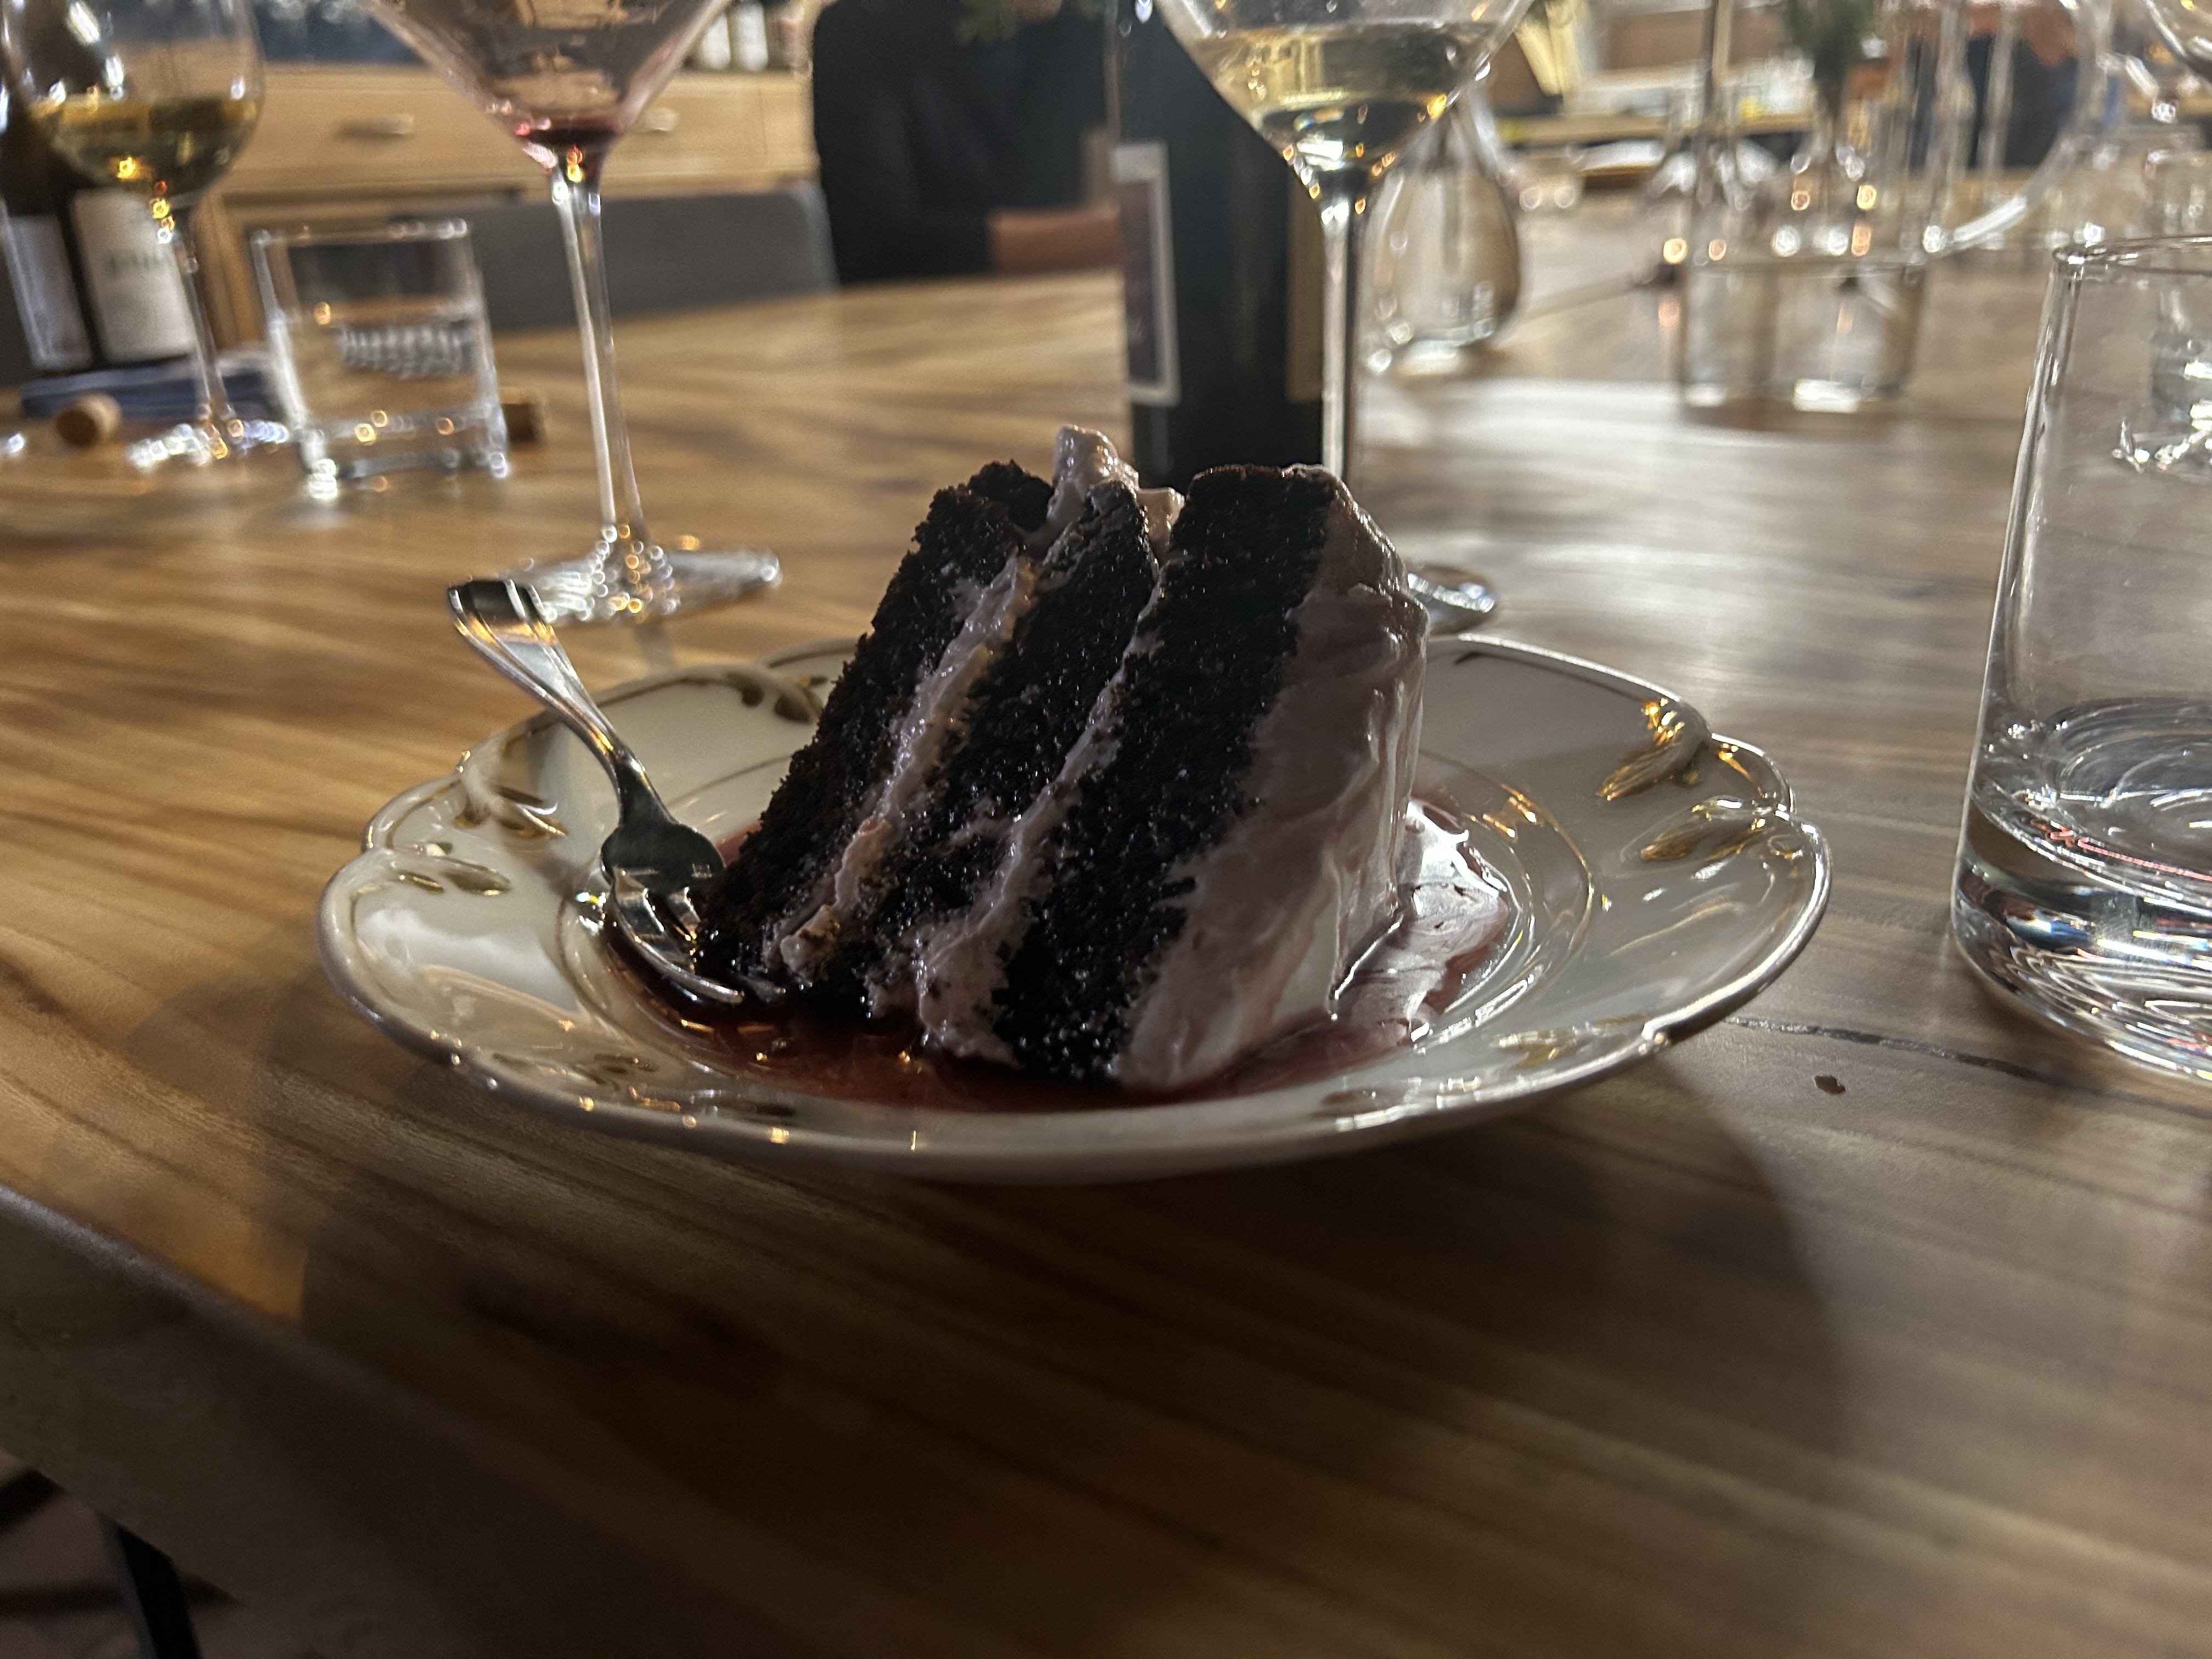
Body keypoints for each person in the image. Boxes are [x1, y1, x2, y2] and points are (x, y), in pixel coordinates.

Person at [810, 0, 1120, 283]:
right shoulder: (862, 28)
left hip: (1065, 307)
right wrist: (1110, 237)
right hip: (922, 316)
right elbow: (875, 244)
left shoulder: (1079, 28)